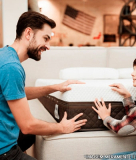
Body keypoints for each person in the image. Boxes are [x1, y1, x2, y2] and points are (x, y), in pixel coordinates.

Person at [0, 11, 87, 160]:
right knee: (30, 131)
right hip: (3, 150)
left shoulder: (5, 54)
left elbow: (17, 92)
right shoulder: (11, 67)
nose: (48, 46)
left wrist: (55, 87)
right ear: (28, 33)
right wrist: (62, 127)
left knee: (30, 137)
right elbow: (27, 125)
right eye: (45, 38)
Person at [92, 53, 136, 160]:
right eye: (133, 69)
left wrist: (105, 117)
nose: (132, 73)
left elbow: (122, 128)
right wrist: (127, 96)